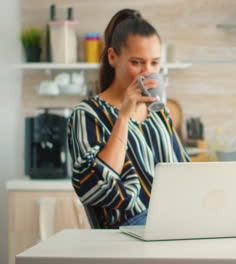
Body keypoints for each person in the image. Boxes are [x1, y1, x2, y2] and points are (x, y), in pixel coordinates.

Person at [67, 8, 190, 229]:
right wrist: (124, 116)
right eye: (137, 62)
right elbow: (94, 187)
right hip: (126, 230)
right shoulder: (88, 113)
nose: (147, 72)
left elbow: (183, 173)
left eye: (154, 63)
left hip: (172, 224)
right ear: (113, 57)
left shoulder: (158, 112)